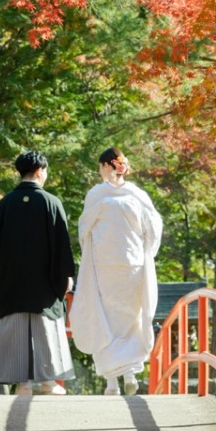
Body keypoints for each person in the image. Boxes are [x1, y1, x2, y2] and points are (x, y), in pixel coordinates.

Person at [69, 147, 163, 395]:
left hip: (105, 265)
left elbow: (84, 231)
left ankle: (113, 382)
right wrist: (146, 253)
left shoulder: (96, 195)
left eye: (100, 167)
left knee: (104, 318)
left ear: (107, 166)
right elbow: (153, 230)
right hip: (132, 264)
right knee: (131, 318)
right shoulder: (137, 195)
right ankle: (129, 372)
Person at [0, 150, 76, 396]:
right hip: (44, 283)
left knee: (15, 327)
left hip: (11, 281)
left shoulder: (4, 205)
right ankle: (48, 383)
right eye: (45, 171)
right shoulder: (51, 203)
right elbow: (61, 247)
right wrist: (66, 277)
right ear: (39, 171)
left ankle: (22, 384)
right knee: (46, 327)